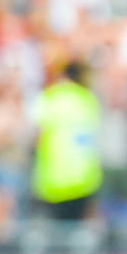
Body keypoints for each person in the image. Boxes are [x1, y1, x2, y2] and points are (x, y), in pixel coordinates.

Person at [30, 61, 103, 222]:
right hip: (84, 179)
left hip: (53, 181)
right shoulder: (87, 98)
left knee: (57, 237)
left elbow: (36, 136)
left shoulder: (49, 97)